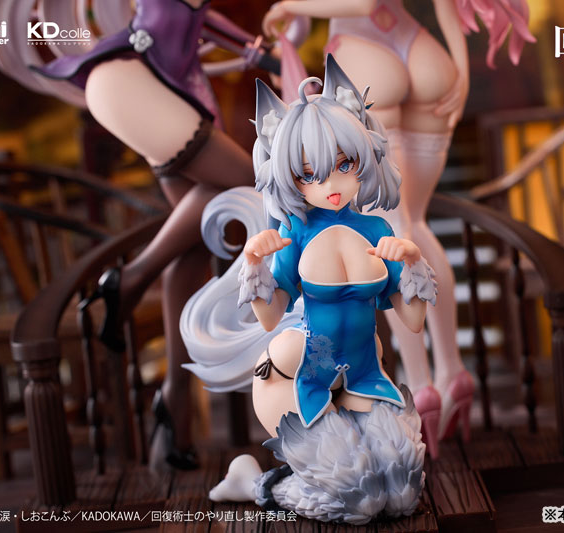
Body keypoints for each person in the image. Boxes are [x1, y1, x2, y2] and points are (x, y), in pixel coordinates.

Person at [0, 0, 281, 470]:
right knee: (249, 184)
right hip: (131, 86)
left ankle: (173, 406)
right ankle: (132, 277)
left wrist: (261, 52)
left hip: (165, 91)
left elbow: (204, 21)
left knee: (199, 238)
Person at [260, 0, 535, 456]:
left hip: (363, 51)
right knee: (415, 225)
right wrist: (462, 72)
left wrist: (287, 5)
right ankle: (453, 372)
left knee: (395, 228)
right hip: (427, 56)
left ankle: (421, 387)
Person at [181, 55, 437, 523]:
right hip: (297, 375)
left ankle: (285, 476)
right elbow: (270, 317)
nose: (331, 184)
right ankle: (256, 483)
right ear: (291, 178)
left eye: (343, 164)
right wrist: (253, 261)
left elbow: (415, 321)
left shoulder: (377, 229)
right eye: (309, 173)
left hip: (364, 375)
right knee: (357, 498)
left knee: (403, 490)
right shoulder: (295, 233)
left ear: (363, 156)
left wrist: (413, 261)